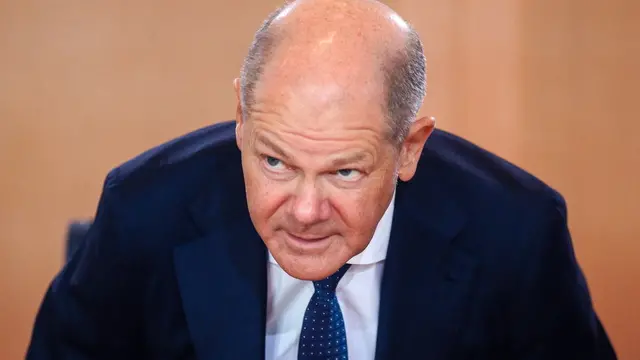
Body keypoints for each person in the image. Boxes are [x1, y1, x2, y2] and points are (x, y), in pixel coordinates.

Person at [27, 0, 617, 359]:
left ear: (408, 149)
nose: (305, 211)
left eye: (344, 171)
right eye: (275, 162)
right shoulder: (143, 211)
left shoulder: (515, 234)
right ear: (241, 119)